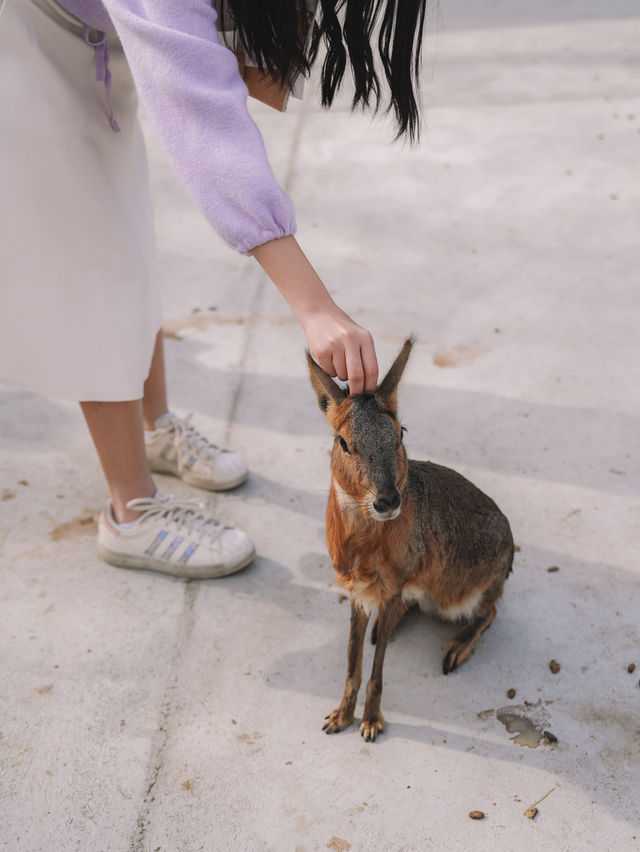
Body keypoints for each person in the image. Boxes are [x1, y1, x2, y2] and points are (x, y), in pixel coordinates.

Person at [0, 0, 428, 579]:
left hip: (92, 33)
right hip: (29, 37)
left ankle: (153, 429)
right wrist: (314, 305)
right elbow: (201, 116)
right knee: (91, 262)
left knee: (127, 234)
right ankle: (130, 512)